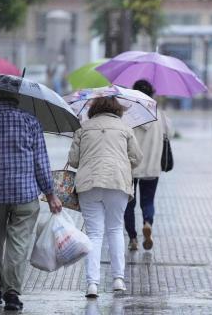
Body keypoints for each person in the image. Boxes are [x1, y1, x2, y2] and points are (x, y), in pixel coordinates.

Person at [0, 89, 62, 311]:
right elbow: (40, 163)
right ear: (17, 98)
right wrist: (50, 194)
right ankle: (12, 293)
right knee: (18, 244)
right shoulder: (31, 121)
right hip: (25, 194)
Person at [68, 96, 143, 298]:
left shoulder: (82, 129)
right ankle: (118, 279)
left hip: (89, 184)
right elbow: (137, 158)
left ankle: (92, 284)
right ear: (117, 110)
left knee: (94, 234)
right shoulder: (125, 129)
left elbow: (73, 161)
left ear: (93, 110)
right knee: (115, 229)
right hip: (117, 183)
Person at [124, 79, 174, 252]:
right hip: (152, 167)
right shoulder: (159, 114)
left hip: (130, 167)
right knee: (148, 201)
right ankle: (147, 222)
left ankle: (132, 238)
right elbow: (171, 133)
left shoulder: (129, 114)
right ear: (152, 94)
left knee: (129, 203)